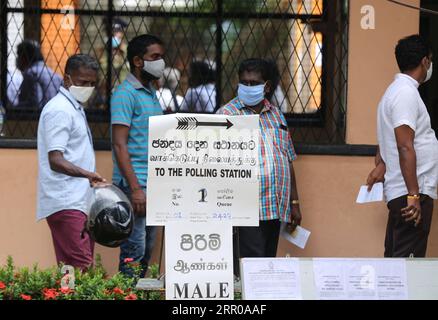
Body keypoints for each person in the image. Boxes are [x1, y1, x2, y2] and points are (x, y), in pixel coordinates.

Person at [217, 58, 302, 276]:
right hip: (246, 208)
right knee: (251, 269)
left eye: (253, 83)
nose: (247, 87)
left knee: (266, 264)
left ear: (267, 86)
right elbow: (216, 164)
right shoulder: (227, 115)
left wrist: (294, 202)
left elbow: (287, 158)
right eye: (244, 82)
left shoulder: (276, 114)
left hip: (275, 207)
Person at [366, 34, 437, 258]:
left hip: (405, 191)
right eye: (431, 60)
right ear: (425, 61)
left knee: (396, 266)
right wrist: (414, 196)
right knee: (408, 268)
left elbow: (387, 143)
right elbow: (404, 145)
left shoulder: (395, 92)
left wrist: (383, 166)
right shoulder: (405, 93)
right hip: (412, 193)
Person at [37, 54, 105, 271]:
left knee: (71, 270)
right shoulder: (59, 110)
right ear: (67, 80)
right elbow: (55, 160)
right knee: (81, 266)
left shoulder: (73, 107)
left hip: (77, 201)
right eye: (82, 82)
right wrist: (88, 174)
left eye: (92, 83)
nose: (88, 87)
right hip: (66, 201)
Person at [111, 34, 165, 277]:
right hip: (135, 186)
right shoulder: (126, 94)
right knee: (134, 251)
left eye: (161, 57)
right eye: (155, 57)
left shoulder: (151, 94)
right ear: (137, 61)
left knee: (147, 250)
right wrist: (135, 189)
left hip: (153, 184)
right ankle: (126, 293)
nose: (160, 62)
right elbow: (119, 145)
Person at [15, 40, 62, 109]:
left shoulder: (31, 74)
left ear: (24, 57)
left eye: (19, 56)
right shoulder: (53, 73)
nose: (17, 59)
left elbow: (35, 104)